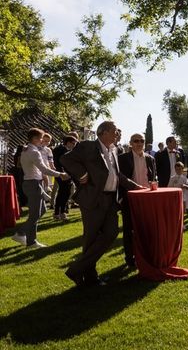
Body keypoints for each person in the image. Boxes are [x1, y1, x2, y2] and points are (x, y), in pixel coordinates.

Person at [60, 121, 143, 286]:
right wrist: (82, 175)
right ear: (103, 132)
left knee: (111, 233)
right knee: (91, 239)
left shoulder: (114, 150)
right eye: (114, 131)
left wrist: (136, 187)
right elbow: (65, 159)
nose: (117, 133)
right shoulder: (87, 146)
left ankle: (76, 270)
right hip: (93, 199)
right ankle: (90, 277)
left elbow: (117, 175)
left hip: (111, 200)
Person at [12, 128, 70, 248]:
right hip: (33, 183)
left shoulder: (28, 149)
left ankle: (22, 234)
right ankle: (31, 241)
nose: (42, 140)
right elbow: (44, 169)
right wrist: (61, 174)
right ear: (34, 139)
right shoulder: (33, 151)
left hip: (34, 183)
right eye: (40, 138)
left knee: (42, 210)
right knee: (35, 214)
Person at [118, 133, 157, 267]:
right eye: (136, 141)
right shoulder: (122, 158)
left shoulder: (150, 158)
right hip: (129, 198)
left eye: (142, 141)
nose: (139, 143)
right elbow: (120, 180)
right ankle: (130, 258)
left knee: (146, 228)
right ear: (131, 143)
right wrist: (121, 198)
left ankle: (146, 255)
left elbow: (152, 177)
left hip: (147, 199)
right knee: (129, 230)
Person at [52, 135, 78, 221]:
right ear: (68, 142)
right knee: (62, 193)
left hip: (68, 174)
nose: (74, 145)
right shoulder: (60, 150)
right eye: (73, 143)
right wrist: (63, 173)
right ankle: (58, 212)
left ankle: (61, 212)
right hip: (62, 174)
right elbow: (58, 163)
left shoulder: (67, 150)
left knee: (66, 193)